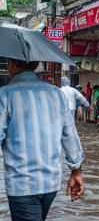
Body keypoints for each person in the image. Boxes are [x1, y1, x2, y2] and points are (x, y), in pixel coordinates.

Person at [0, 59, 84, 221]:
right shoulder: (55, 94)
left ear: (11, 65)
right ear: (36, 63)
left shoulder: (5, 95)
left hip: (22, 184)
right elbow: (70, 135)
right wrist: (76, 170)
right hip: (51, 184)